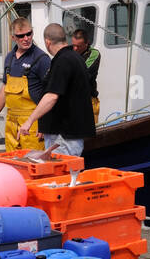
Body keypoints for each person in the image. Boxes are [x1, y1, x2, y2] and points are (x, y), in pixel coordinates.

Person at [17, 23, 95, 158]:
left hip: (64, 138)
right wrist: (44, 125)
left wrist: (29, 121)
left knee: (60, 176)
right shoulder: (75, 58)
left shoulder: (63, 61)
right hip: (68, 134)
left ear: (47, 42)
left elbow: (52, 96)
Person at [0, 17, 50, 151]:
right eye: (21, 36)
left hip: (33, 123)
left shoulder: (42, 59)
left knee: (34, 162)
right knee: (13, 162)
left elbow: (50, 94)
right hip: (12, 123)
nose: (26, 38)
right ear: (13, 37)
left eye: (29, 34)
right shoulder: (9, 58)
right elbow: (5, 87)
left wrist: (45, 124)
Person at [71, 28, 101, 123]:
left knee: (90, 136)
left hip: (89, 101)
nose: (75, 48)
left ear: (86, 43)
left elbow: (83, 72)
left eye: (78, 46)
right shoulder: (69, 52)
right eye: (73, 45)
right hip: (72, 101)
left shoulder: (94, 54)